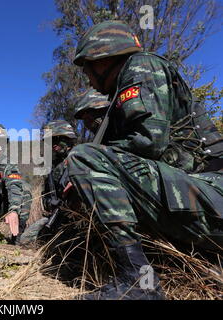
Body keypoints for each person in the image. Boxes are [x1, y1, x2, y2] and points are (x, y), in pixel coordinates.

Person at [62, 20, 223, 300]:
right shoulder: (119, 97)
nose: (87, 76)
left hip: (210, 191)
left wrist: (91, 167)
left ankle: (139, 283)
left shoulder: (140, 66)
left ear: (103, 58)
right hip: (199, 196)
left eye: (87, 66)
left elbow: (150, 141)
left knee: (85, 157)